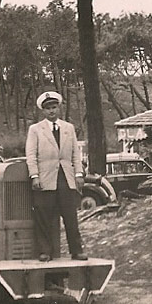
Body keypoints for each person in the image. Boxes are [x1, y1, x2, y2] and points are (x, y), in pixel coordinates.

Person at [25, 91, 86, 262]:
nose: (51, 111)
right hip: (45, 179)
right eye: (48, 109)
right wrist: (34, 176)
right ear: (43, 111)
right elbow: (31, 155)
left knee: (70, 216)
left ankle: (77, 250)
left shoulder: (69, 128)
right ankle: (45, 251)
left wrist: (79, 174)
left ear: (59, 108)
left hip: (66, 178)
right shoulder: (35, 130)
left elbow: (75, 154)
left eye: (54, 107)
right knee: (44, 216)